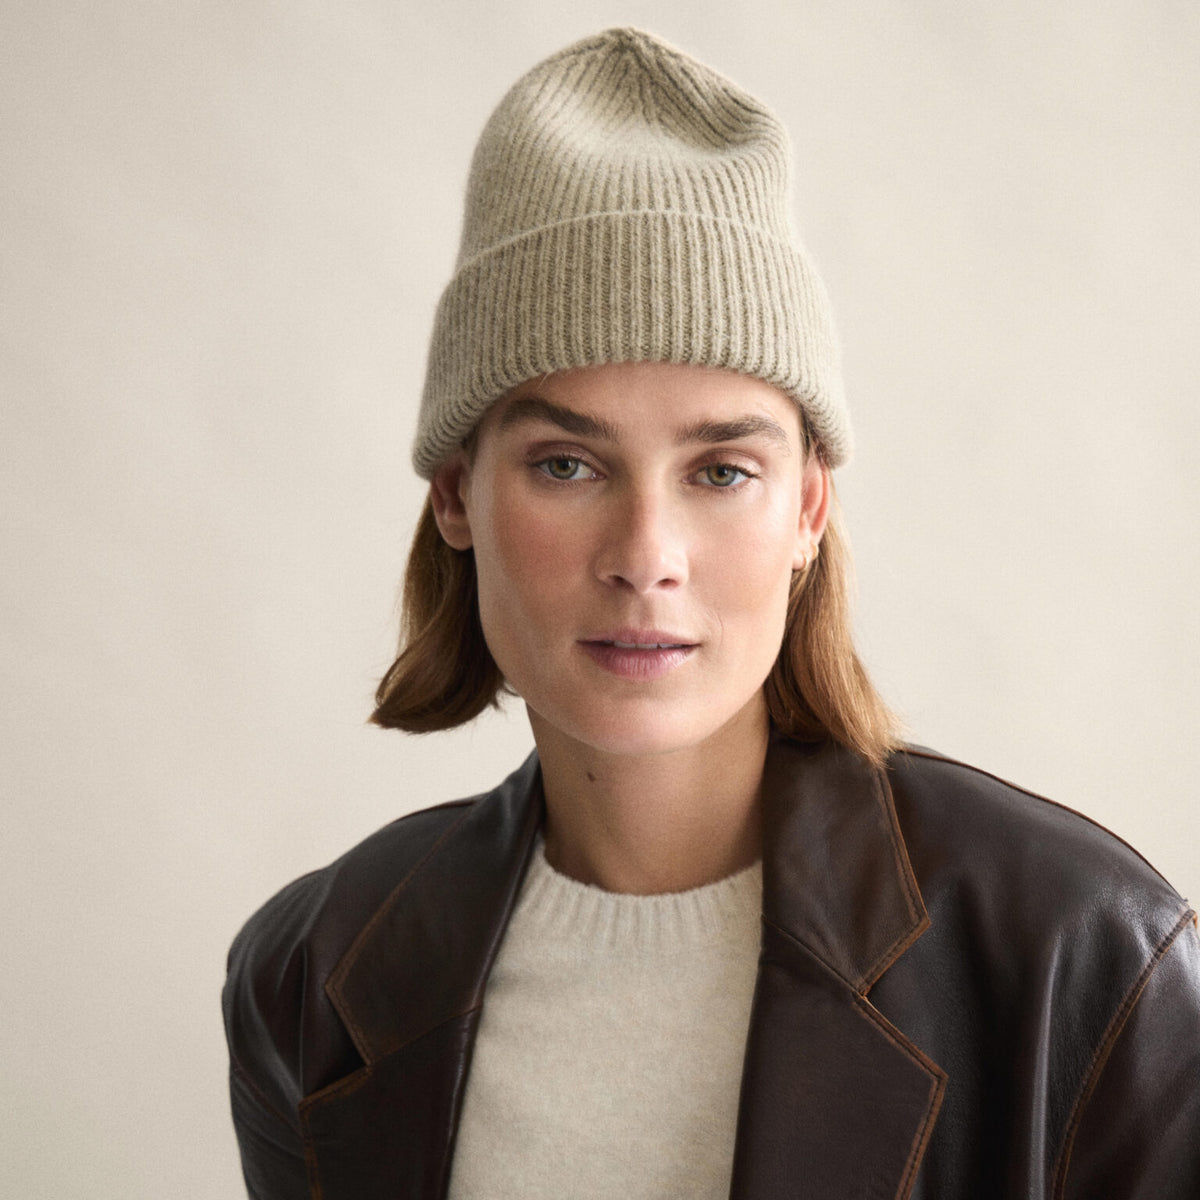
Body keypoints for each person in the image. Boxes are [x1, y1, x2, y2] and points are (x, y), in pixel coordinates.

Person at [222, 27, 1200, 1200]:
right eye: (566, 465)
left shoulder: (1083, 959)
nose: (647, 557)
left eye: (722, 470)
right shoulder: (311, 980)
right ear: (455, 495)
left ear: (808, 509)